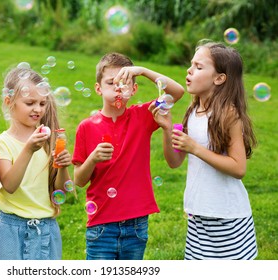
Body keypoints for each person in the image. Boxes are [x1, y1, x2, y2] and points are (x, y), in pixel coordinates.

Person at [150, 41, 258, 260]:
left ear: (219, 78)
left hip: (227, 216)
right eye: (191, 65)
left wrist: (195, 148)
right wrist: (167, 127)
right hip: (198, 214)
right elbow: (174, 161)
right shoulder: (193, 111)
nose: (189, 70)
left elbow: (238, 168)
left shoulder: (229, 114)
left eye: (199, 67)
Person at [72, 52, 184, 260]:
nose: (118, 88)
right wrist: (93, 159)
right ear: (98, 88)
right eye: (111, 83)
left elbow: (177, 92)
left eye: (124, 83)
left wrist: (141, 71)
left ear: (133, 89)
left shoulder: (142, 116)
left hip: (136, 225)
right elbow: (78, 180)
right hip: (101, 226)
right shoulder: (86, 127)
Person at [0, 66, 72, 260]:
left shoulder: (49, 139)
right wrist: (28, 149)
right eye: (30, 103)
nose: (38, 109)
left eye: (43, 103)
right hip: (11, 230)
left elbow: (61, 190)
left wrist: (63, 168)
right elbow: (9, 185)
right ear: (9, 102)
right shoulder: (2, 143)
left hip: (46, 229)